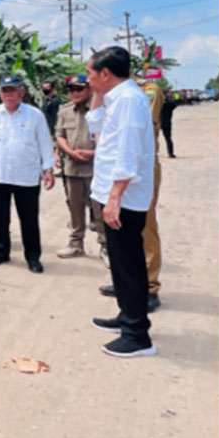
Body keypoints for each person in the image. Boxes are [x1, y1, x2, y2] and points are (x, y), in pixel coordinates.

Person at [85, 47, 157, 358]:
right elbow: (96, 128)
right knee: (119, 261)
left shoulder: (129, 100)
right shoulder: (115, 98)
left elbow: (129, 152)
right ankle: (126, 315)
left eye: (90, 73)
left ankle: (137, 334)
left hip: (124, 197)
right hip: (111, 193)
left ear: (105, 73)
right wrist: (99, 93)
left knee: (129, 264)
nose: (87, 80)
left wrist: (114, 197)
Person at [0, 74, 56, 273]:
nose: (8, 95)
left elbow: (45, 143)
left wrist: (48, 169)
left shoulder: (34, 115)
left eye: (12, 90)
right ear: (0, 93)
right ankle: (0, 251)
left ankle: (33, 257)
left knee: (29, 219)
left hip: (26, 176)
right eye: (5, 91)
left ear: (21, 92)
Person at [97, 78, 166, 313]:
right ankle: (127, 285)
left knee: (144, 226)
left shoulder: (142, 93)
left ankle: (150, 286)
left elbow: (140, 126)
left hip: (139, 166)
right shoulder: (114, 95)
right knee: (120, 230)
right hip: (118, 166)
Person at [53, 74, 104, 258]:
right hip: (72, 167)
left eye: (79, 89)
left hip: (97, 168)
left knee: (99, 209)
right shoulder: (65, 111)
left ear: (89, 89)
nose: (74, 93)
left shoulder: (100, 110)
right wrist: (69, 151)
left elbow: (111, 139)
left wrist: (94, 153)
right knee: (75, 207)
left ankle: (105, 245)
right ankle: (76, 243)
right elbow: (60, 135)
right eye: (71, 90)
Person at [160, 93, 177, 158]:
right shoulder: (169, 104)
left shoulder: (158, 104)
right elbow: (175, 103)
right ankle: (170, 153)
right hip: (167, 123)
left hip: (157, 122)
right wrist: (174, 97)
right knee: (168, 138)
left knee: (153, 139)